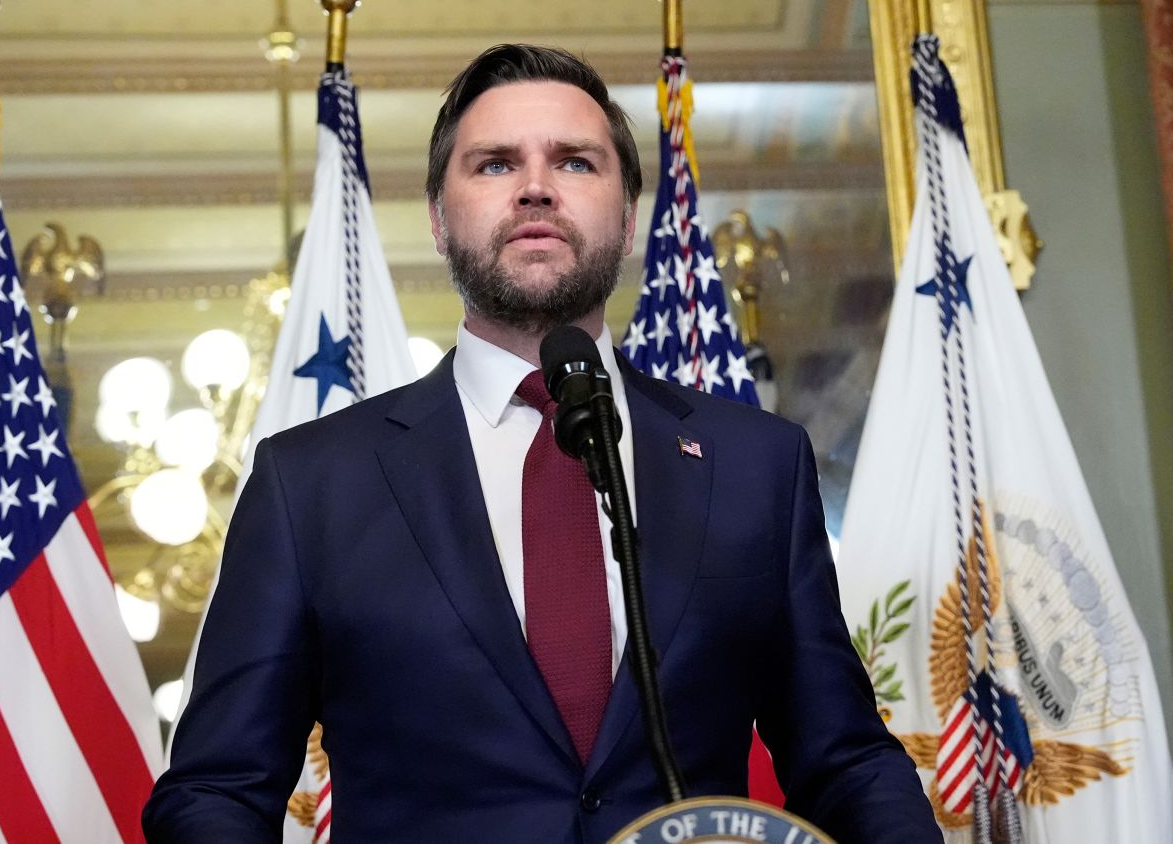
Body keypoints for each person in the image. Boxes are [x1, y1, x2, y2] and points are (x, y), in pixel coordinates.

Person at [143, 44, 940, 843]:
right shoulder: (311, 482)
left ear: (628, 219)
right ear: (437, 216)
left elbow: (846, 763)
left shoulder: (755, 466)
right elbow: (217, 791)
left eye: (575, 162)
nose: (534, 186)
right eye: (493, 164)